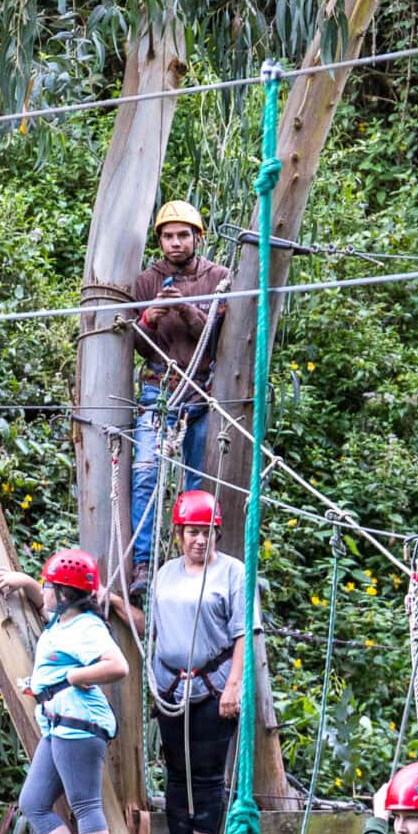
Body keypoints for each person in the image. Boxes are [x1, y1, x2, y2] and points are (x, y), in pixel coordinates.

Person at [0, 548, 129, 834]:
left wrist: (75, 676)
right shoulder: (61, 620)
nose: (44, 590)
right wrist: (23, 582)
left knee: (85, 805)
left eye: (49, 585)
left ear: (65, 594)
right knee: (33, 802)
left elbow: (117, 666)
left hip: (79, 724)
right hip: (57, 725)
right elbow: (42, 603)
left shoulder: (87, 628)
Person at [145, 489, 245, 834]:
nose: (200, 540)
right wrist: (112, 602)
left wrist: (234, 685)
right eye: (192, 532)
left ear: (216, 533)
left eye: (207, 532)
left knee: (206, 779)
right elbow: (153, 627)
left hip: (213, 689)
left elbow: (244, 633)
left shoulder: (232, 573)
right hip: (171, 688)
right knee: (176, 776)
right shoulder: (165, 574)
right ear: (179, 533)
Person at [126, 199, 232, 584]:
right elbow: (140, 347)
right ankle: (143, 562)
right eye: (168, 236)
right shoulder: (147, 282)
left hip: (202, 391)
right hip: (159, 391)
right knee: (145, 471)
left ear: (197, 238)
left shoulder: (219, 278)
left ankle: (195, 566)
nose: (175, 243)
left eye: (183, 235)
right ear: (160, 241)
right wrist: (148, 320)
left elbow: (219, 338)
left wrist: (186, 310)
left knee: (198, 482)